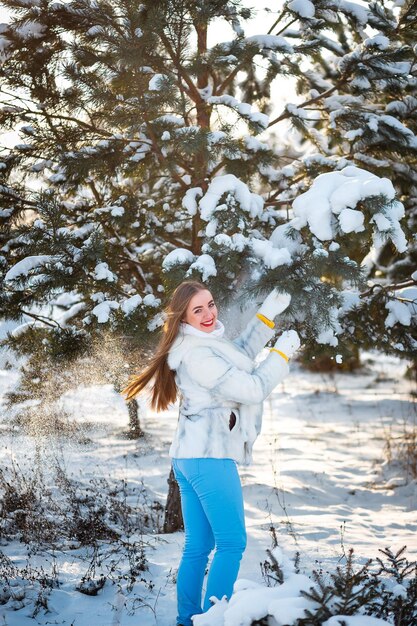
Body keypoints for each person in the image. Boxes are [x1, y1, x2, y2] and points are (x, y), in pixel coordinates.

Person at [122, 280, 300, 626]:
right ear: (183, 318)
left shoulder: (201, 344)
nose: (208, 314)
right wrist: (280, 356)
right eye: (197, 310)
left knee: (198, 547)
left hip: (190, 457)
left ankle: (188, 620)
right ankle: (212, 621)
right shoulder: (198, 354)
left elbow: (238, 354)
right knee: (232, 543)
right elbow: (251, 388)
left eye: (211, 304)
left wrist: (266, 316)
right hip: (208, 458)